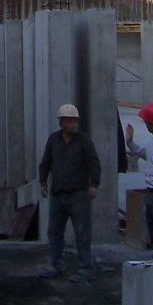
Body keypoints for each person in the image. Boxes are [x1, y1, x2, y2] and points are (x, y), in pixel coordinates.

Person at [37, 103, 101, 282]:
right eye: (70, 121)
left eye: (75, 121)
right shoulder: (53, 140)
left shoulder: (84, 141)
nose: (74, 124)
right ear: (62, 123)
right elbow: (45, 163)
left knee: (82, 233)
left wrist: (94, 184)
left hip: (78, 195)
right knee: (54, 232)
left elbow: (94, 164)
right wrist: (43, 183)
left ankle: (85, 269)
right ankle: (56, 265)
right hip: (58, 194)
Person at [126, 100, 153, 264]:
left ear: (152, 123)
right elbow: (145, 154)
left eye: (146, 122)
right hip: (152, 192)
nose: (145, 125)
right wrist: (130, 143)